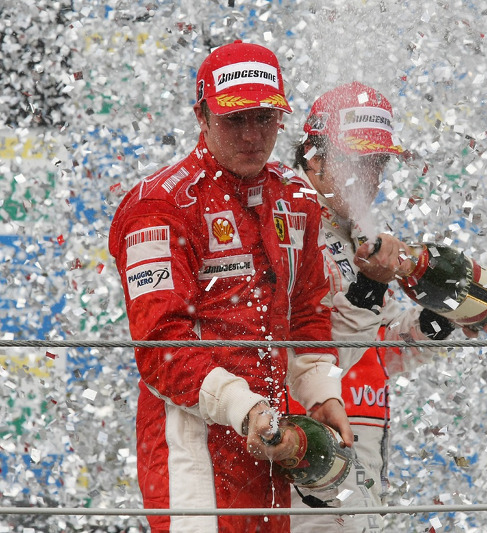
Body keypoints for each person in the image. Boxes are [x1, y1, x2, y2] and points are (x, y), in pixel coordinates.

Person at [108, 40, 353, 533]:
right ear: (202, 115)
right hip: (189, 445)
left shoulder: (296, 199)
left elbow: (306, 315)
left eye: (264, 117)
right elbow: (161, 347)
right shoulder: (159, 207)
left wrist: (323, 394)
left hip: (270, 442)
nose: (251, 134)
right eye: (234, 119)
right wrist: (245, 410)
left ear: (281, 119)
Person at [286, 82, 487, 532]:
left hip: (361, 446)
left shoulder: (359, 233)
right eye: (357, 162)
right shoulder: (289, 225)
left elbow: (379, 351)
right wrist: (370, 290)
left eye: (377, 164)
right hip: (302, 449)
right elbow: (305, 357)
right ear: (314, 157)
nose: (369, 178)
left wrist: (438, 318)